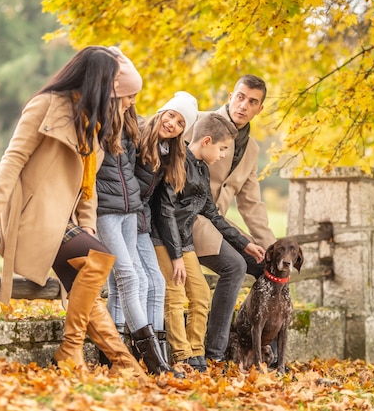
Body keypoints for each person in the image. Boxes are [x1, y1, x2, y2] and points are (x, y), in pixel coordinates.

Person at [0, 46, 145, 376]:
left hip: (65, 219)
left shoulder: (91, 118)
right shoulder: (45, 105)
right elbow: (13, 159)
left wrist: (87, 224)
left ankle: (121, 362)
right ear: (98, 79)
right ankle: (72, 350)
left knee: (85, 288)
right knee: (100, 260)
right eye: (115, 80)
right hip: (33, 213)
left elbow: (85, 183)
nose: (119, 90)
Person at [151, 113, 266, 372]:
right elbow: (165, 211)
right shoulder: (177, 163)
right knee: (176, 294)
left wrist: (244, 243)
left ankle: (196, 354)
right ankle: (181, 356)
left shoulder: (202, 169)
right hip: (164, 240)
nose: (224, 155)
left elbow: (211, 213)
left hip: (184, 241)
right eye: (222, 148)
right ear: (206, 141)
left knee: (201, 293)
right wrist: (176, 256)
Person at [94, 47, 183, 378]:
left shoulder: (129, 123)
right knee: (130, 278)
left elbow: (131, 173)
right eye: (129, 95)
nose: (132, 101)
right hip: (105, 210)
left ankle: (122, 356)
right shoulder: (97, 121)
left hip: (130, 212)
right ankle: (152, 361)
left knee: (132, 282)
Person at [183, 75, 277, 364]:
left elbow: (251, 203)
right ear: (230, 94)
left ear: (259, 109)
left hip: (218, 223)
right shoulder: (199, 121)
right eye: (240, 96)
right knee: (234, 266)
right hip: (190, 218)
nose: (243, 105)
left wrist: (270, 247)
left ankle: (251, 342)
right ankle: (216, 353)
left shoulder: (252, 150)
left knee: (265, 268)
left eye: (252, 101)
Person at [133, 91, 199, 360]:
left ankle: (156, 353)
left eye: (181, 123)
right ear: (162, 111)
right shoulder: (136, 135)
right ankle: (131, 350)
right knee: (133, 280)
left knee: (155, 285)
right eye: (171, 115)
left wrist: (176, 256)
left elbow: (162, 207)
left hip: (141, 223)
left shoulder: (169, 156)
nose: (173, 123)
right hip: (116, 215)